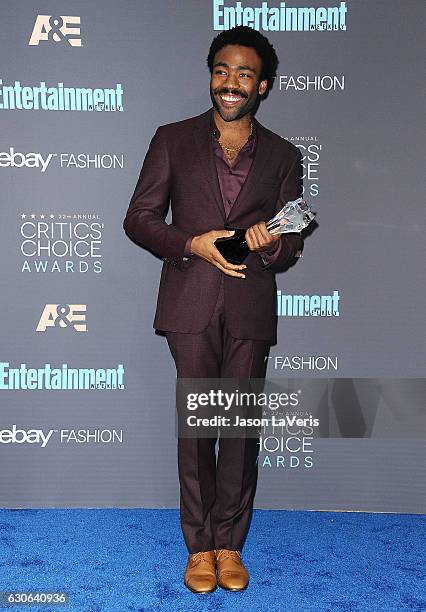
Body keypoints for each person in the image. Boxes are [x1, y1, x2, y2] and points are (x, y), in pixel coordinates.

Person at [123, 25, 303, 594]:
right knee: (199, 429)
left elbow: (291, 242)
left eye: (244, 74)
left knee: (240, 431)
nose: (231, 82)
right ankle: (199, 547)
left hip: (250, 305)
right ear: (211, 76)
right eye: (222, 70)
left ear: (263, 86)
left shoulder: (284, 155)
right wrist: (191, 243)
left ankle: (231, 544)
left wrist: (270, 241)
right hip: (191, 301)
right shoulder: (171, 139)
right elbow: (140, 218)